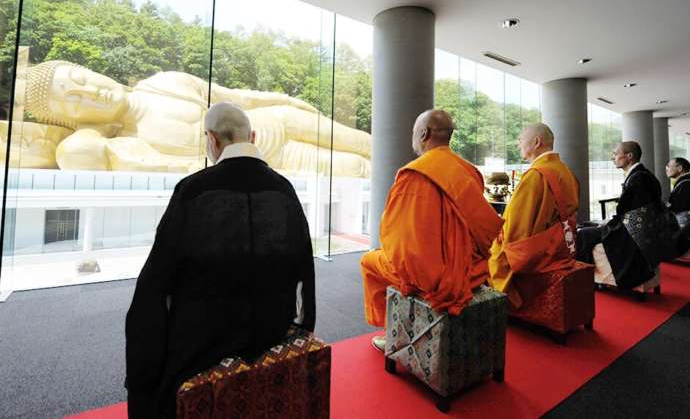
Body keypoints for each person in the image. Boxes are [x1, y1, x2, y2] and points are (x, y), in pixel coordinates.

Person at [124, 102, 316, 418]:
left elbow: (155, 287)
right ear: (252, 136)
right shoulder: (285, 191)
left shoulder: (194, 190)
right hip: (272, 337)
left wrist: (142, 376)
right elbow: (304, 278)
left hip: (201, 350)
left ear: (211, 140)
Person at [20, 60, 371, 176]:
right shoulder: (125, 144)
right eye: (75, 102)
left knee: (365, 143)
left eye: (82, 80)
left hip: (277, 120)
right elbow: (77, 155)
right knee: (358, 167)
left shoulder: (163, 83)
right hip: (273, 158)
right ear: (76, 121)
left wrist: (288, 100)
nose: (92, 92)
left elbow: (234, 96)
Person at [360, 109, 503, 351]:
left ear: (424, 133)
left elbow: (401, 243)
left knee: (369, 262)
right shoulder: (470, 171)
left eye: (414, 132)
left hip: (436, 278)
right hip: (473, 270)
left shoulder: (414, 174)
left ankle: (393, 334)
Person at [488, 123, 579, 309]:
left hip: (540, 253)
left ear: (537, 142)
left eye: (521, 138)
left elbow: (516, 227)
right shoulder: (565, 170)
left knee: (489, 256)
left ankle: (498, 307)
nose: (518, 142)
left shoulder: (536, 175)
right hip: (561, 247)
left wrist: (496, 243)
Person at [577, 141, 673, 287]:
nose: (612, 157)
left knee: (583, 233)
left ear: (629, 156)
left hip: (632, 233)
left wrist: (610, 224)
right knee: (592, 228)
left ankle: (585, 279)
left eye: (616, 153)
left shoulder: (639, 178)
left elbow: (631, 213)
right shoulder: (643, 175)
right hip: (643, 229)